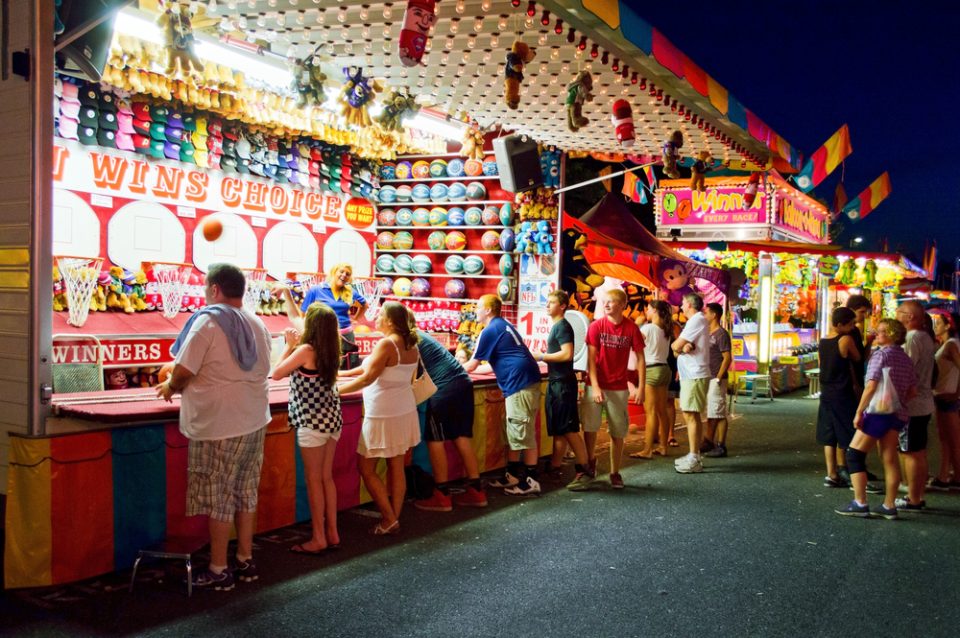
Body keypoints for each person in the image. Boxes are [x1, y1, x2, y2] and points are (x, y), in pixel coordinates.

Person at [156, 263, 273, 590]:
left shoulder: (207, 322)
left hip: (220, 423)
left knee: (220, 497)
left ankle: (219, 568)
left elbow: (182, 372)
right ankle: (245, 560)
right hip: (254, 421)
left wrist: (169, 387)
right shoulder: (257, 323)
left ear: (215, 289)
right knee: (245, 493)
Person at [338, 302, 421, 535]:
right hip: (403, 410)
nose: (376, 318)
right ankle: (392, 518)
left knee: (366, 466)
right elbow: (372, 370)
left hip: (382, 413)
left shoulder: (387, 343)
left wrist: (336, 391)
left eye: (381, 315)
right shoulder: (411, 344)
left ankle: (388, 518)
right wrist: (342, 374)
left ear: (391, 321)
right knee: (397, 466)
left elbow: (367, 379)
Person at [272, 303, 343, 554]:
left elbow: (276, 373)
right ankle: (332, 533)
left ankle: (318, 538)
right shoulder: (332, 349)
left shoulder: (305, 350)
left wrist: (289, 346)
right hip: (332, 420)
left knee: (314, 481)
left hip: (311, 422)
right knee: (326, 478)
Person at [462, 294, 544, 496]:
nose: (475, 311)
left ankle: (531, 480)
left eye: (479, 307)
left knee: (523, 433)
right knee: (518, 430)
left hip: (519, 383)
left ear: (488, 310)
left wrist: (451, 370)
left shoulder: (489, 330)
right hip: (526, 379)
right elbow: (489, 364)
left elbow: (472, 364)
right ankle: (513, 474)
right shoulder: (502, 325)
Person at [835, 319, 916, 519]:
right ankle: (889, 505)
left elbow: (871, 386)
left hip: (877, 412)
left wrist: (859, 411)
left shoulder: (880, 356)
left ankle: (860, 502)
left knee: (854, 454)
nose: (876, 335)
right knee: (889, 459)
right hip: (897, 414)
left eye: (881, 332)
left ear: (892, 335)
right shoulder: (905, 358)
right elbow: (913, 390)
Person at [412, 324, 488, 511]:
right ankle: (477, 491)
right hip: (462, 383)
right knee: (460, 437)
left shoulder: (406, 339)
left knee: (435, 439)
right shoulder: (421, 336)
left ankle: (442, 495)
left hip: (444, 388)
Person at [582, 287, 645, 489]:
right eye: (604, 301)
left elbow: (642, 359)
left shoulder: (631, 328)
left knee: (617, 431)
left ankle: (615, 471)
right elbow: (591, 359)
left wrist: (641, 386)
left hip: (618, 386)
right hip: (595, 384)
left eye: (611, 301)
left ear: (622, 305)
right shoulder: (596, 327)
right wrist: (596, 386)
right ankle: (590, 462)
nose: (606, 304)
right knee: (590, 428)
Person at [533, 290, 593, 491]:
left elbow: (567, 354)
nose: (547, 305)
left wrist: (541, 356)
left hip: (562, 384)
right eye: (547, 302)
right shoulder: (558, 326)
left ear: (563, 306)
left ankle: (584, 470)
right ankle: (555, 468)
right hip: (557, 382)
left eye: (551, 302)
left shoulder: (562, 327)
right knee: (560, 429)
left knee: (568, 428)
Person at [895, 300, 936, 511]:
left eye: (899, 312)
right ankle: (917, 493)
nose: (896, 314)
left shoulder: (912, 338)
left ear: (910, 317)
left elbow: (905, 371)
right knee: (918, 451)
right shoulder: (925, 337)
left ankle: (913, 498)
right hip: (923, 402)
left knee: (910, 450)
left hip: (912, 404)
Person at [816, 307, 862, 488]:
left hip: (826, 390)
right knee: (847, 431)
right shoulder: (846, 339)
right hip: (842, 390)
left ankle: (831, 474)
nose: (853, 327)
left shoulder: (823, 340)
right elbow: (857, 358)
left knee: (829, 434)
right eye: (850, 324)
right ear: (840, 324)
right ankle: (852, 472)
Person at [289, 263, 367, 369]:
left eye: (347, 274)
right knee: (322, 366)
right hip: (323, 335)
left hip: (346, 336)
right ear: (333, 272)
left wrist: (356, 318)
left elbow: (365, 305)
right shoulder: (316, 290)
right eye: (341, 271)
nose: (344, 275)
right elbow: (303, 314)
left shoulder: (350, 292)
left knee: (346, 367)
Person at [671, 293, 711, 474]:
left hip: (695, 373)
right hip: (691, 374)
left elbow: (675, 346)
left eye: (682, 303)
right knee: (689, 413)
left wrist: (680, 347)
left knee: (691, 413)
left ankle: (694, 457)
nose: (680, 306)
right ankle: (693, 454)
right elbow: (677, 349)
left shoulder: (696, 320)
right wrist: (681, 348)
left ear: (688, 304)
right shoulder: (696, 321)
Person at [630, 300, 673, 459]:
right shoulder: (666, 330)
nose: (646, 312)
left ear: (654, 311)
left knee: (651, 412)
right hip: (664, 369)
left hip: (651, 370)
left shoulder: (648, 328)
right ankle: (663, 446)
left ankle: (647, 450)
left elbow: (633, 341)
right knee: (662, 410)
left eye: (648, 309)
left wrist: (637, 323)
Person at [929, 310, 960, 490]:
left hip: (948, 396)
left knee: (952, 439)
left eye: (939, 323)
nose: (936, 326)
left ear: (948, 325)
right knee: (946, 438)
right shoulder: (948, 344)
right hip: (943, 395)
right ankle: (944, 474)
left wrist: (956, 391)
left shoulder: (951, 345)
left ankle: (956, 476)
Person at [701, 303, 733, 458]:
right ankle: (710, 441)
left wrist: (719, 377)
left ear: (714, 315)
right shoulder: (708, 332)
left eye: (706, 312)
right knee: (712, 411)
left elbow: (727, 357)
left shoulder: (721, 334)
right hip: (709, 376)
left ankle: (721, 445)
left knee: (719, 412)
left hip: (716, 378)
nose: (704, 315)